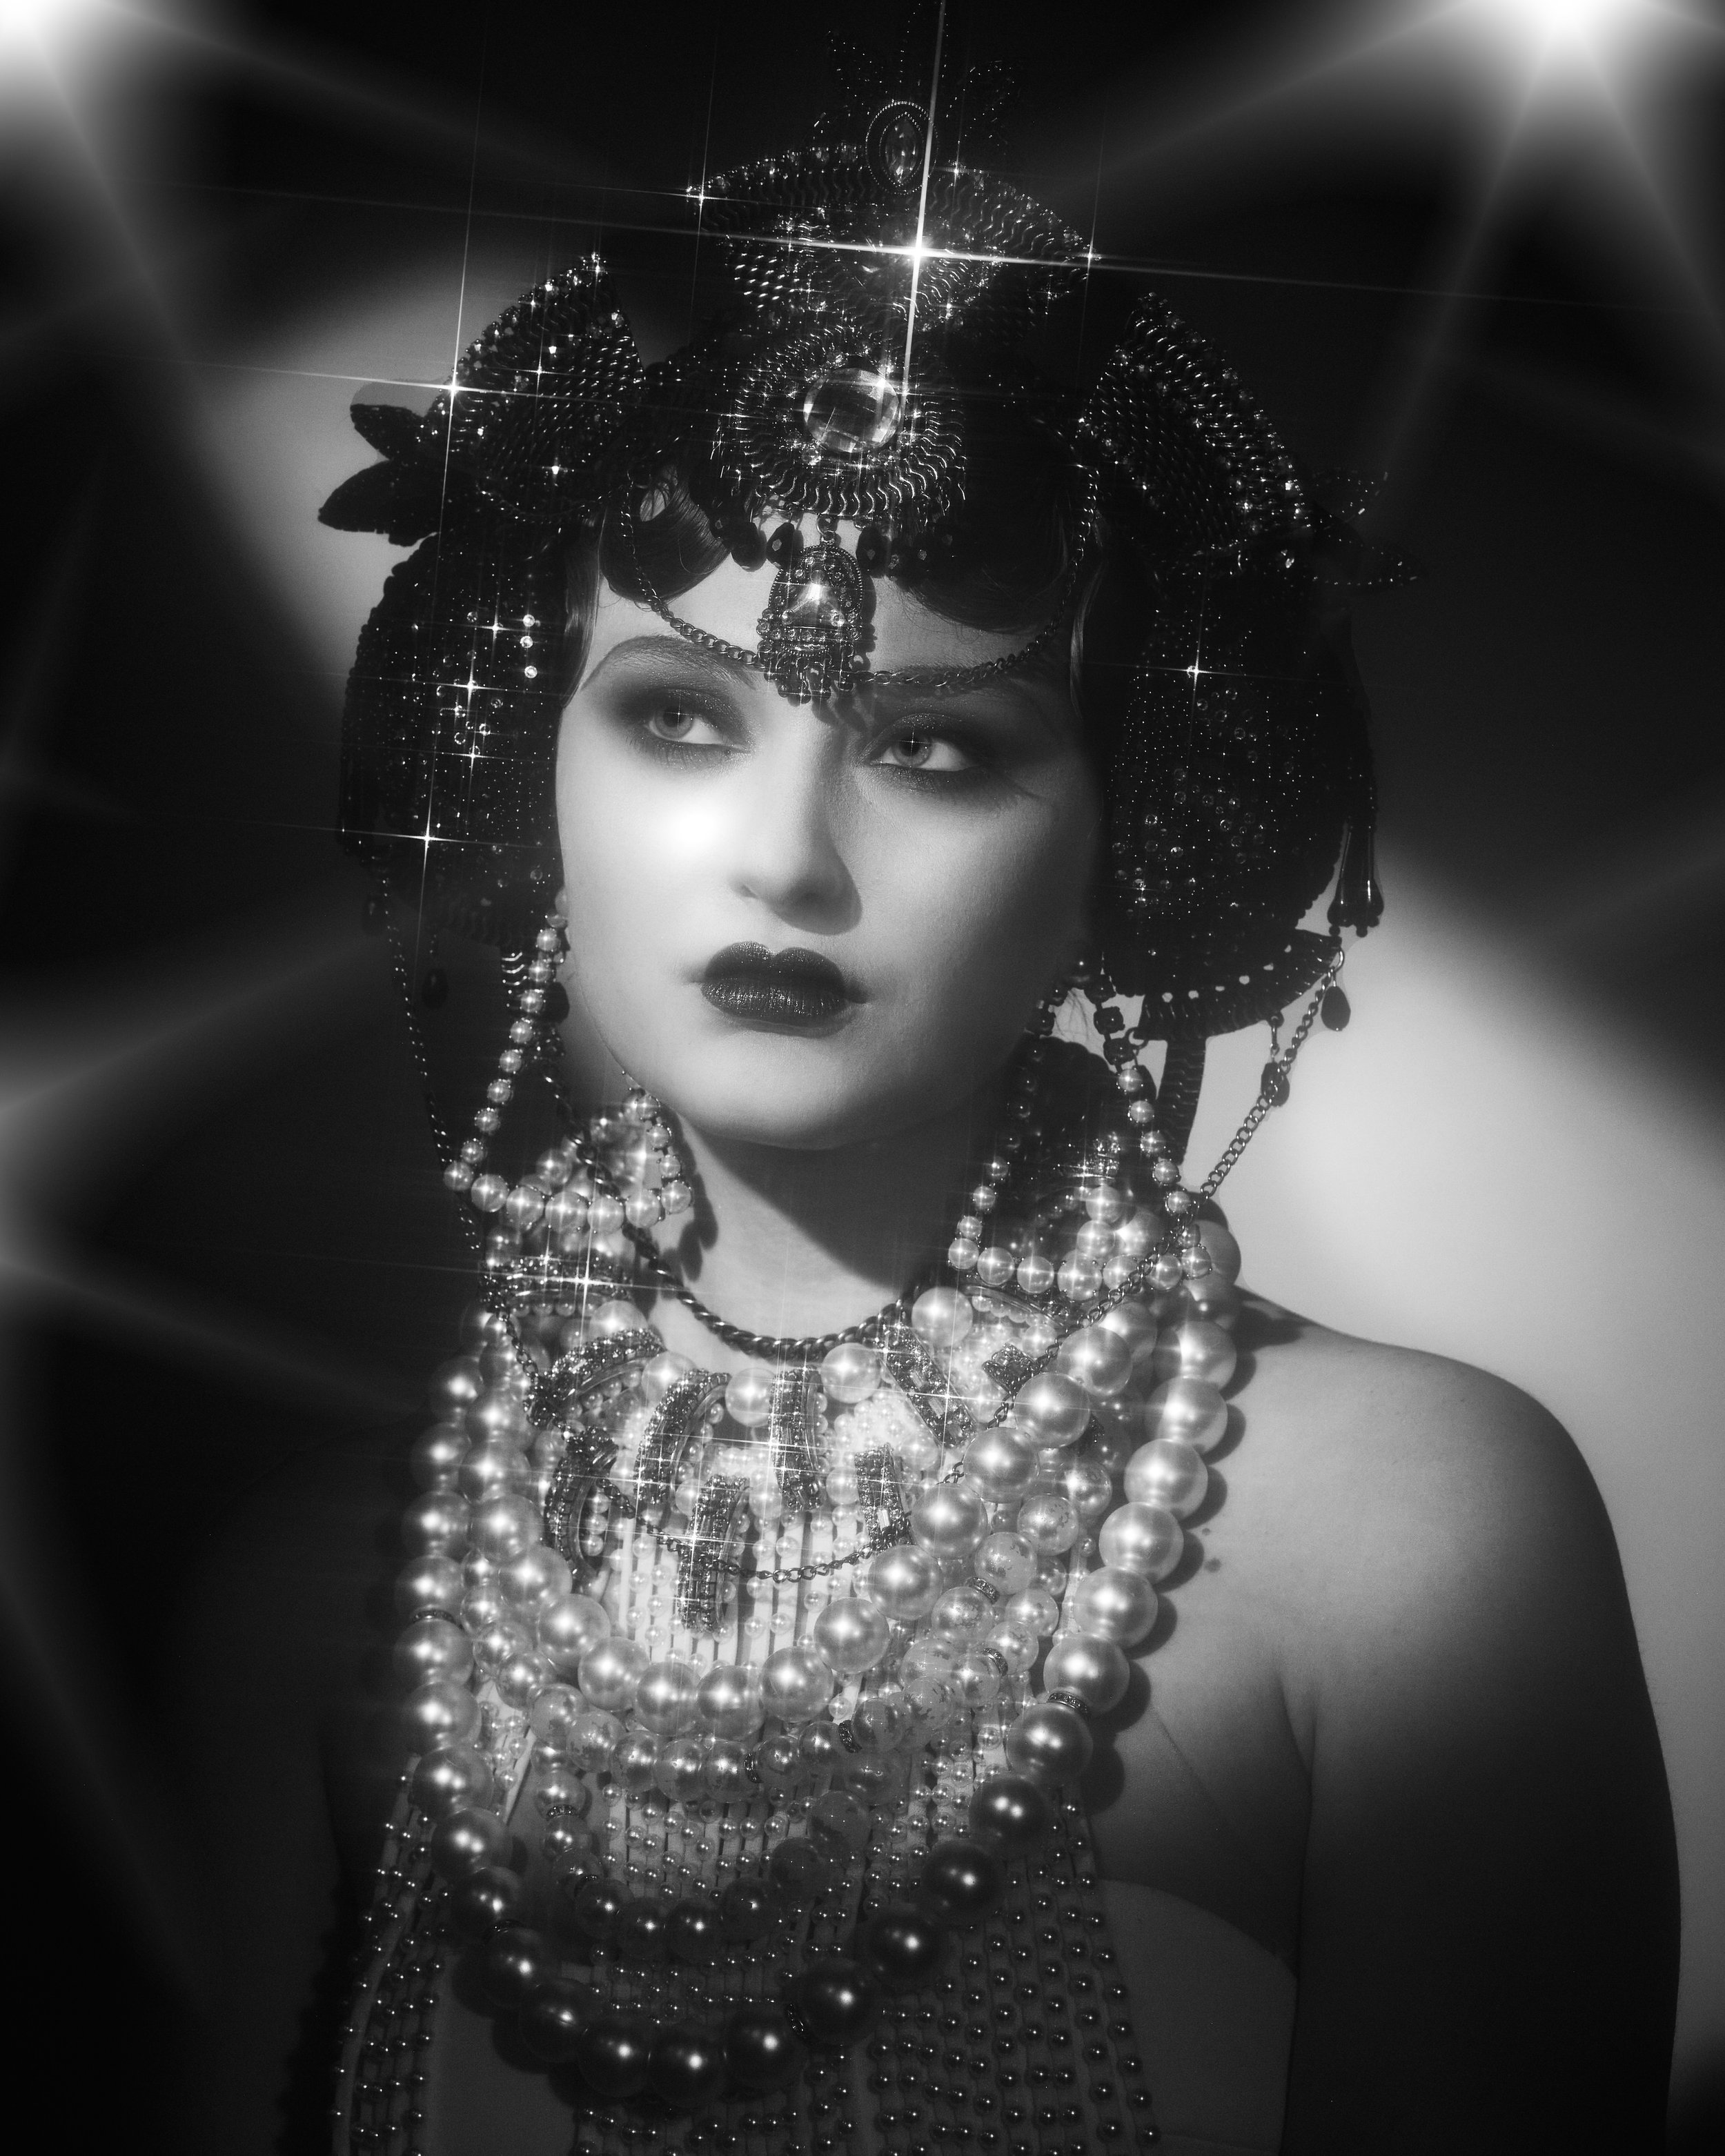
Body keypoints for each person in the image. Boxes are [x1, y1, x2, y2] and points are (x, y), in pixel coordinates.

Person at [180, 83, 1678, 2156]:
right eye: (680, 715)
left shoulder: (1402, 1540)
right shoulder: (324, 1591)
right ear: (534, 765)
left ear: (1131, 834)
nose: (782, 854)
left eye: (942, 748)